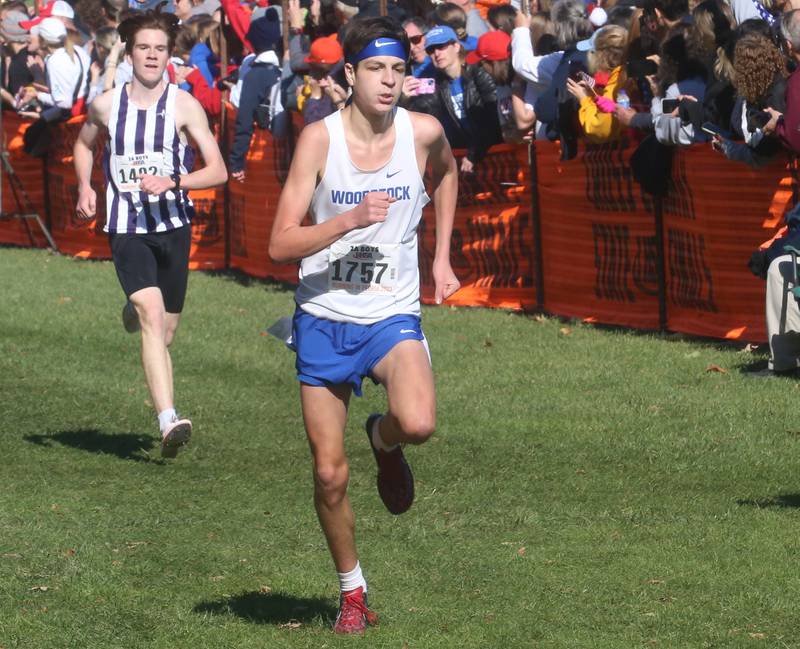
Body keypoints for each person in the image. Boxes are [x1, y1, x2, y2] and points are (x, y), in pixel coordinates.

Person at [268, 16, 460, 634]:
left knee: (420, 423)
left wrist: (441, 256)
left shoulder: (423, 133)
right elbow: (279, 243)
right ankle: (352, 592)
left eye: (399, 69)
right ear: (349, 75)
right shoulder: (319, 141)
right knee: (328, 473)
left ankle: (383, 438)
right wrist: (343, 225)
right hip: (324, 316)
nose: (389, 80)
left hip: (391, 312)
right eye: (375, 69)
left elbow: (451, 175)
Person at [72, 8, 228, 457]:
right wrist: (86, 186)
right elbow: (83, 144)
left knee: (166, 332)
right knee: (153, 318)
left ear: (169, 54)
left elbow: (217, 170)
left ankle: (134, 304)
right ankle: (168, 419)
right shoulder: (106, 104)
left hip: (173, 226)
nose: (153, 56)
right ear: (130, 52)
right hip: (126, 226)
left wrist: (174, 181)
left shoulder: (184, 105)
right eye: (144, 47)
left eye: (161, 48)